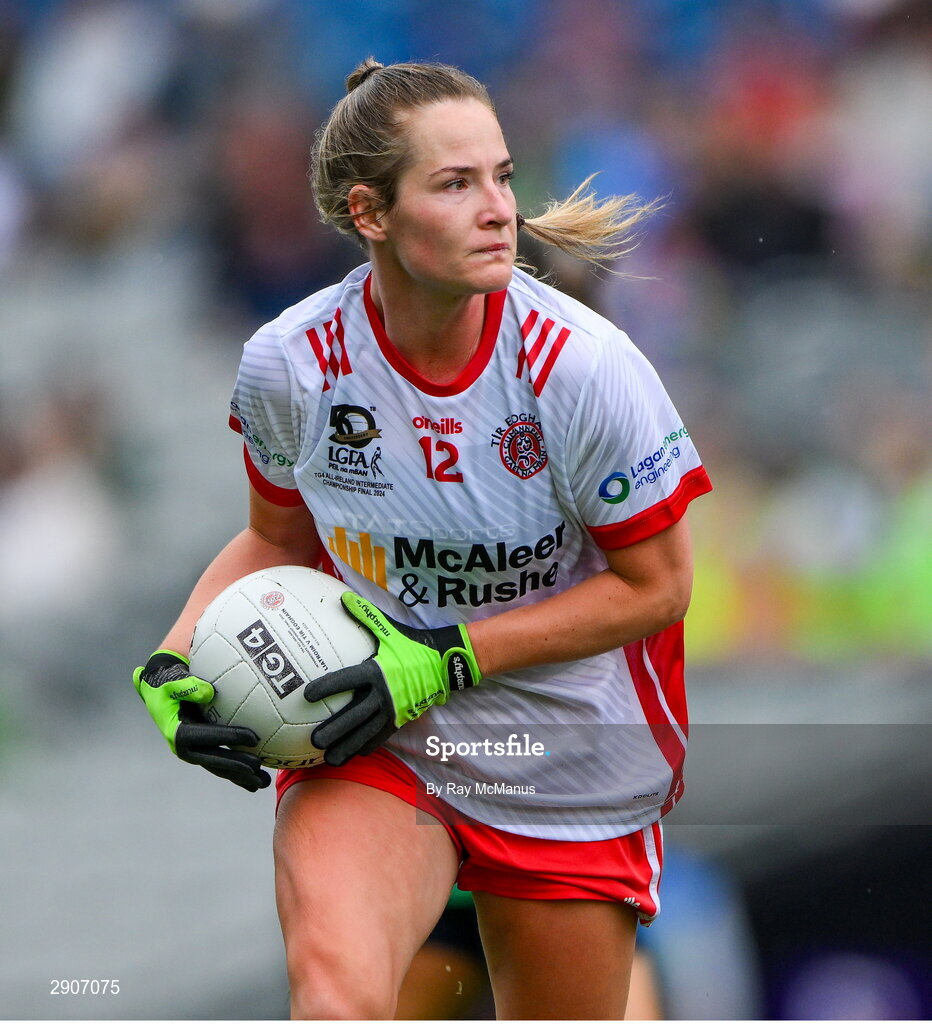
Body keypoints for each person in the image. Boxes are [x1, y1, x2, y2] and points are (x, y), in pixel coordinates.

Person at [132, 57, 712, 1020]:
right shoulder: (291, 364)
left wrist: (444, 658)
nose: (499, 209)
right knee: (337, 999)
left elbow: (659, 588)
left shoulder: (584, 368)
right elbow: (275, 542)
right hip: (380, 730)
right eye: (455, 183)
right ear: (371, 214)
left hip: (563, 749)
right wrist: (171, 655)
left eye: (502, 175)